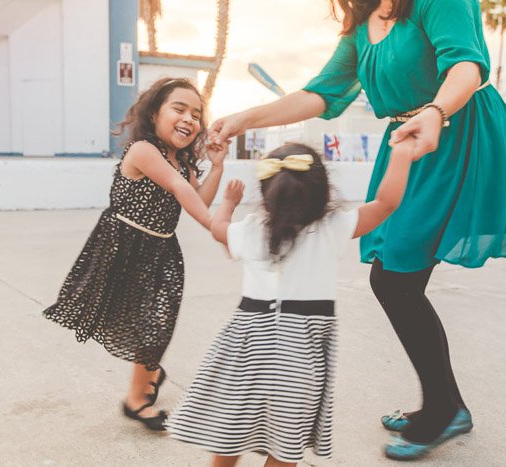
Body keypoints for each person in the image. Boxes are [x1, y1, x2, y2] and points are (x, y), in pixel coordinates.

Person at [209, 0, 506, 459]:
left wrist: (436, 112)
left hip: (452, 132)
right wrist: (244, 118)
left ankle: (444, 408)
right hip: (405, 143)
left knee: (394, 278)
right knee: (397, 279)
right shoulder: (361, 23)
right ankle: (445, 404)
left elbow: (466, 65)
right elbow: (321, 93)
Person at [166, 140, 423, 467]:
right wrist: (401, 154)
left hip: (247, 348)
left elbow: (219, 231)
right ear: (323, 189)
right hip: (298, 356)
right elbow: (387, 203)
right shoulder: (332, 227)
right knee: (284, 443)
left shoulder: (252, 230)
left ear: (266, 194)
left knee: (232, 431)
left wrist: (229, 203)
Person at [43, 77, 229, 431]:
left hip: (161, 251)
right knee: (130, 322)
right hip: (122, 245)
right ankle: (146, 382)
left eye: (196, 114)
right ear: (154, 112)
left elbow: (197, 201)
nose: (189, 119)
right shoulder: (144, 150)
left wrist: (216, 167)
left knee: (156, 324)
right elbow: (178, 190)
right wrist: (215, 228)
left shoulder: (184, 166)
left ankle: (137, 397)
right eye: (179, 109)